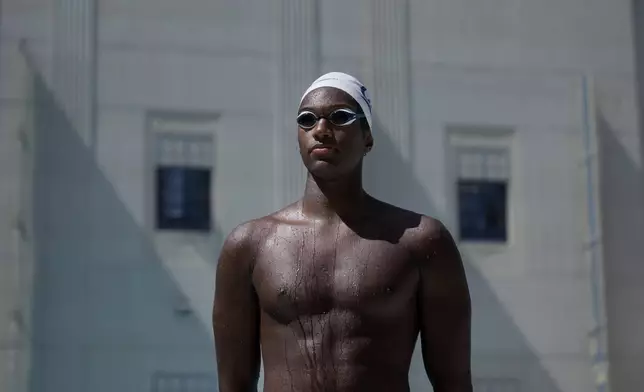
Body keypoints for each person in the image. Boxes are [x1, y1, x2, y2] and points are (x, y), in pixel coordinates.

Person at [213, 72, 472, 392]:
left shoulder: (420, 241)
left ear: (368, 138)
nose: (320, 130)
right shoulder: (250, 245)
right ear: (297, 137)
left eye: (340, 117)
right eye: (307, 120)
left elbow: (454, 383)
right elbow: (233, 385)